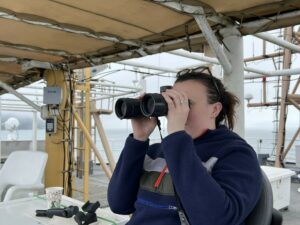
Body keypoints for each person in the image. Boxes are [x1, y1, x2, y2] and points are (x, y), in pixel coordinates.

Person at [108, 66, 262, 225]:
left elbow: (216, 220)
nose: (176, 109)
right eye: (173, 103)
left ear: (215, 109)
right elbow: (119, 204)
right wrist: (138, 140)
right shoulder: (156, 152)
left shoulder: (236, 154)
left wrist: (176, 137)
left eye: (185, 103)